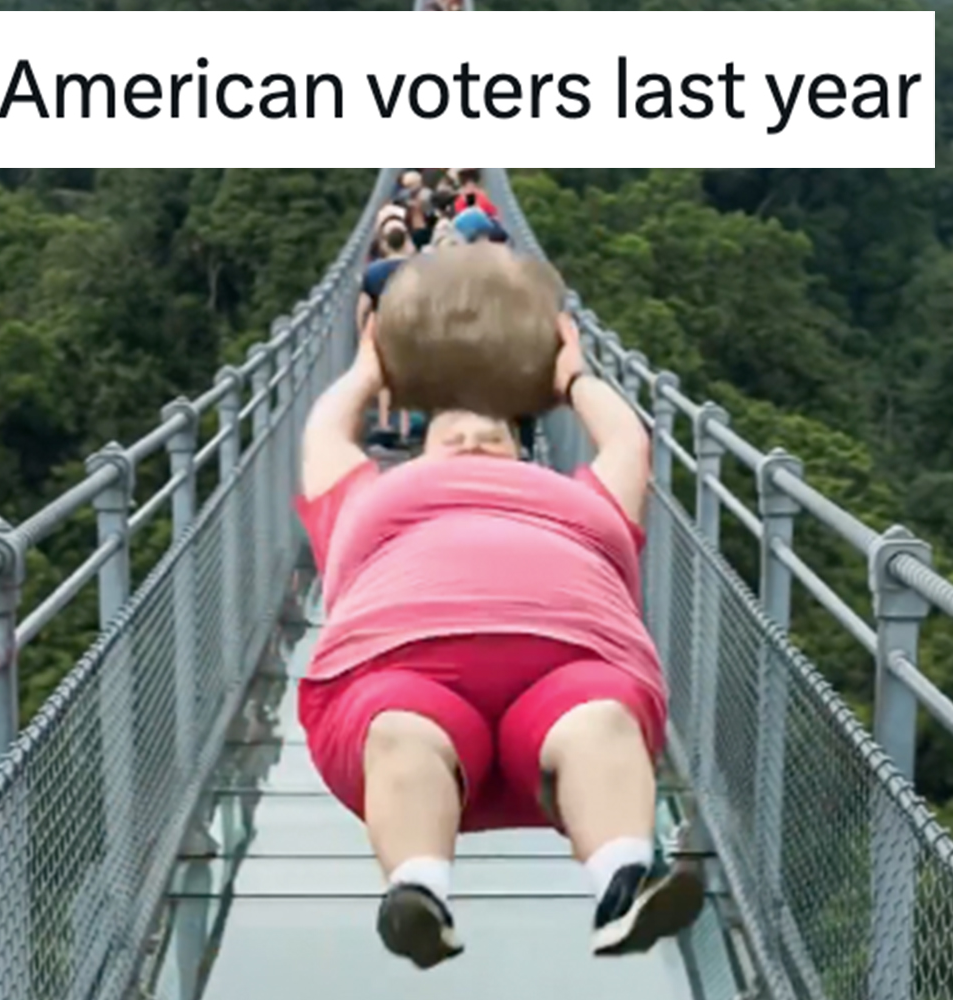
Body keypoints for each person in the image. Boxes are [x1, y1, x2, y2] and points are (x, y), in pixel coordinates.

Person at [294, 243, 703, 970]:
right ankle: (418, 896)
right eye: (453, 434)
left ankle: (624, 886)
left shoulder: (579, 497)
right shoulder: (364, 498)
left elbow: (627, 444)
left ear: (523, 455)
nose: (474, 438)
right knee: (398, 729)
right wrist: (368, 371)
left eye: (493, 435)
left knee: (601, 721)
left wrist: (573, 374)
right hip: (399, 670)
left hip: (570, 668)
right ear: (418, 454)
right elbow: (324, 435)